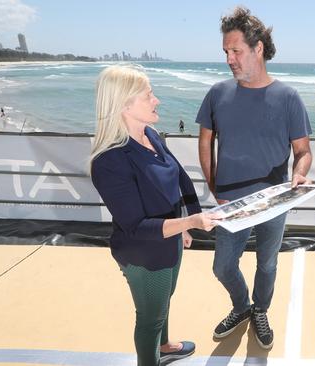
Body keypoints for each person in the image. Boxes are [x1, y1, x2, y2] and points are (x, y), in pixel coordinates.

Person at [196, 6, 312, 350]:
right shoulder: (218, 93)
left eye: (236, 51)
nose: (230, 59)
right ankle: (241, 305)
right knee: (222, 266)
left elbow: (303, 152)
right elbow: (205, 140)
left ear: (258, 48)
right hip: (231, 202)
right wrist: (215, 187)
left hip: (274, 200)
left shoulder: (288, 97)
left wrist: (300, 175)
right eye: (226, 52)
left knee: (268, 262)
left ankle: (260, 309)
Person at [89, 65, 218, 366]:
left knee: (164, 300)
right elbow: (136, 227)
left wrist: (188, 222)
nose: (156, 100)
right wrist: (190, 223)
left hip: (169, 239)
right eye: (149, 95)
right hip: (144, 254)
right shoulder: (109, 161)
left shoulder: (151, 134)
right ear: (125, 105)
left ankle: (167, 346)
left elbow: (181, 179)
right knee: (150, 318)